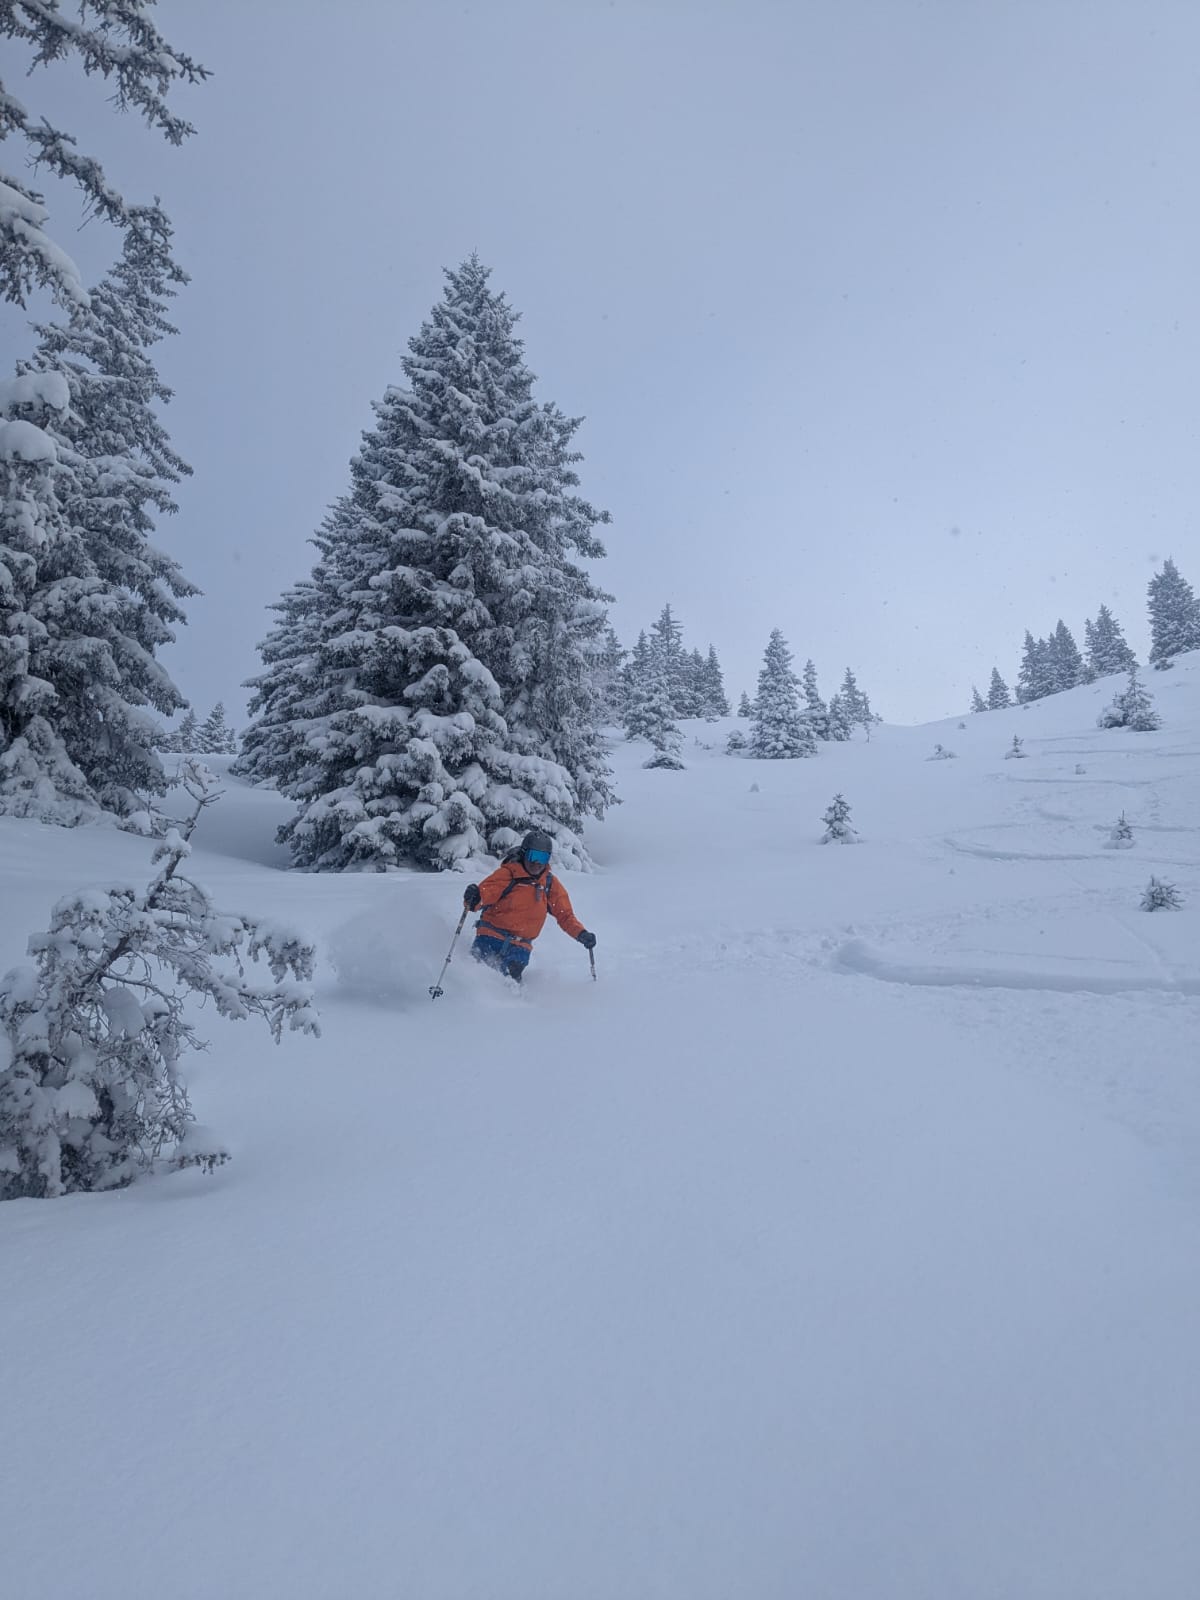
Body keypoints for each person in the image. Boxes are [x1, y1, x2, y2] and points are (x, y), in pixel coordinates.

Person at [463, 829, 596, 983]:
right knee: (475, 977)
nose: (537, 863)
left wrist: (581, 934)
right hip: (490, 937)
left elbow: (564, 915)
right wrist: (474, 898)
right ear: (524, 853)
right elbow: (483, 896)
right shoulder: (508, 874)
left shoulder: (549, 883)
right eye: (534, 856)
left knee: (508, 983)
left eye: (543, 858)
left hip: (520, 947)